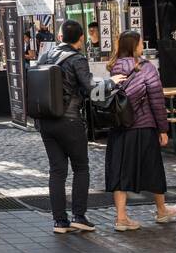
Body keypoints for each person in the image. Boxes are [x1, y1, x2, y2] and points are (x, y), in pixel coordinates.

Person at [35, 19, 116, 235]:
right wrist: (112, 82)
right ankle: (79, 216)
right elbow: (92, 88)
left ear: (60, 37)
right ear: (81, 38)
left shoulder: (46, 56)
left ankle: (59, 221)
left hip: (46, 121)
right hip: (70, 120)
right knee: (81, 167)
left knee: (57, 170)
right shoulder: (77, 58)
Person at [105, 30, 176, 230]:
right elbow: (156, 99)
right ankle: (162, 210)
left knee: (120, 170)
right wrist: (163, 128)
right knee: (153, 168)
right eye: (140, 43)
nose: (142, 46)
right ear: (134, 45)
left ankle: (121, 218)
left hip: (120, 126)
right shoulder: (146, 68)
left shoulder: (114, 67)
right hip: (144, 125)